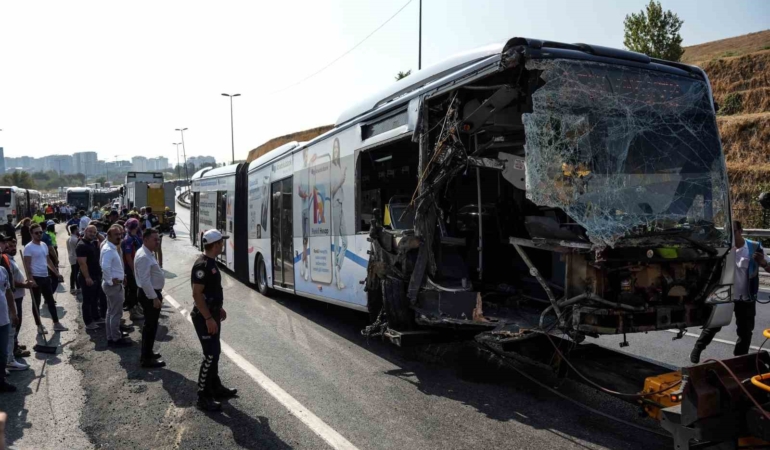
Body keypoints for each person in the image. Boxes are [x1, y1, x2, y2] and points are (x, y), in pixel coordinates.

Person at [690, 220, 770, 363]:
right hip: (725, 295)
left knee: (745, 332)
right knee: (713, 325)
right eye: (728, 232)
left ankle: (739, 360)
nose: (730, 235)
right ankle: (698, 348)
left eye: (733, 232)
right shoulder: (723, 247)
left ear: (740, 231)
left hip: (746, 297)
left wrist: (762, 262)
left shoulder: (754, 247)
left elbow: (768, 266)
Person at [191, 229, 237, 411]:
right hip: (204, 317)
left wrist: (219, 308)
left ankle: (215, 387)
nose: (223, 245)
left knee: (215, 353)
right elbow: (197, 294)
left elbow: (211, 291)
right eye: (221, 242)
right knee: (210, 355)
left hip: (213, 313)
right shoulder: (202, 265)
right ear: (216, 245)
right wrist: (209, 317)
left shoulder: (210, 262)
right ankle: (203, 396)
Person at [23, 224, 67, 334]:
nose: (39, 235)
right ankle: (39, 326)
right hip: (36, 278)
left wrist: (56, 273)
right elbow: (27, 265)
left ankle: (56, 323)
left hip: (45, 277)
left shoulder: (44, 245)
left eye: (40, 232)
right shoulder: (28, 248)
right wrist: (31, 279)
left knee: (51, 301)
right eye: (36, 233)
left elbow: (48, 261)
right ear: (31, 234)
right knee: (36, 303)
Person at [134, 228, 165, 368]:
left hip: (151, 293)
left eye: (158, 239)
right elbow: (145, 281)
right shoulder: (143, 256)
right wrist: (154, 298)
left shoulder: (148, 253)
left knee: (152, 325)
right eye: (155, 239)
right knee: (150, 326)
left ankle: (149, 352)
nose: (157, 242)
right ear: (145, 240)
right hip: (149, 295)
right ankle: (146, 358)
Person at [3, 235, 30, 370]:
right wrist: (25, 285)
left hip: (17, 296)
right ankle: (12, 353)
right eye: (9, 246)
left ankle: (15, 346)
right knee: (14, 324)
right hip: (12, 297)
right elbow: (10, 283)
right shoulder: (4, 261)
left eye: (14, 246)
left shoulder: (10, 259)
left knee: (16, 325)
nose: (12, 248)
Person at [100, 224, 130, 347]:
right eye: (116, 235)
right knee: (116, 313)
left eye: (120, 234)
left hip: (113, 284)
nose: (119, 236)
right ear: (109, 236)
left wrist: (122, 277)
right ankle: (115, 339)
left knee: (111, 312)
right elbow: (105, 267)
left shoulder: (111, 247)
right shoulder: (109, 249)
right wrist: (111, 281)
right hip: (112, 286)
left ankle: (111, 336)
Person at [77, 225, 106, 330]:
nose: (92, 234)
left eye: (94, 232)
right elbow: (82, 264)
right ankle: (88, 322)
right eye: (90, 232)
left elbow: (104, 241)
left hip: (96, 275)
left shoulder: (92, 243)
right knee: (87, 300)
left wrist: (97, 233)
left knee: (95, 298)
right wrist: (87, 277)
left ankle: (96, 317)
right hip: (87, 276)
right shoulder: (81, 245)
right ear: (85, 231)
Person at [330, 138, 348, 290]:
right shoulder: (330, 167)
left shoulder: (339, 165)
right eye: (334, 148)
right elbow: (330, 191)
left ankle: (337, 269)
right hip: (335, 205)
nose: (336, 150)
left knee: (345, 242)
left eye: (338, 148)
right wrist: (341, 180)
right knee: (336, 242)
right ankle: (337, 276)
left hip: (341, 205)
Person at [0, 253, 18, 392]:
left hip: (4, 319)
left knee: (3, 352)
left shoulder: (2, 270)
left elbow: (8, 293)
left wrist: (13, 313)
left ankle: (1, 381)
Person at [122, 219, 143, 321]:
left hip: (137, 267)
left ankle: (136, 307)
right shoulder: (128, 239)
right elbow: (128, 256)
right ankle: (133, 311)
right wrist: (134, 270)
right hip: (131, 269)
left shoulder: (135, 237)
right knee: (133, 290)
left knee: (136, 289)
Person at [67, 225, 81, 295]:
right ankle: (77, 287)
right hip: (75, 258)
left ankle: (73, 287)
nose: (78, 230)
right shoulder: (75, 239)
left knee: (73, 273)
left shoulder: (70, 238)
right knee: (75, 273)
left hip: (72, 257)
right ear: (75, 230)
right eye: (77, 229)